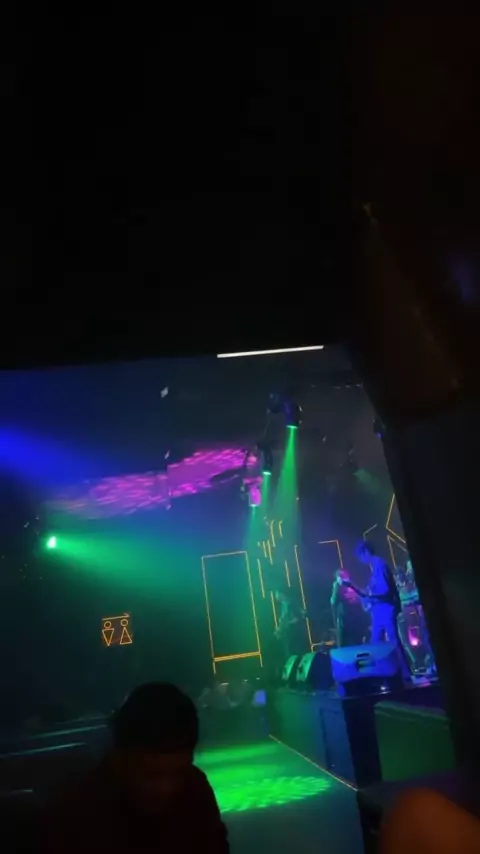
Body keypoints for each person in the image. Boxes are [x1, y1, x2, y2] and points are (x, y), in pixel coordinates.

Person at [42, 682, 229, 853]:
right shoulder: (76, 811)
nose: (165, 788)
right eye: (151, 775)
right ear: (119, 759)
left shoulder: (195, 789)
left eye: (178, 774)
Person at [340, 541, 410, 679]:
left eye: (360, 556)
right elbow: (368, 592)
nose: (361, 560)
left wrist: (369, 595)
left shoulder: (380, 565)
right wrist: (352, 586)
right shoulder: (375, 567)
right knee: (375, 643)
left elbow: (384, 591)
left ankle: (405, 673)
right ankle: (380, 675)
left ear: (366, 552)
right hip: (379, 611)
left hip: (386, 609)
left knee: (393, 642)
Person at [330, 568, 366, 647]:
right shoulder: (338, 587)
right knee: (344, 642)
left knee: (357, 641)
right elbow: (333, 602)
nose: (344, 577)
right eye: (341, 575)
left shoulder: (352, 585)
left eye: (345, 575)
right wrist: (336, 588)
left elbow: (361, 596)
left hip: (356, 618)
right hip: (344, 619)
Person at [273, 584, 307, 659]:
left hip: (295, 634)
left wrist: (288, 624)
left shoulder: (291, 603)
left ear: (281, 593)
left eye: (277, 593)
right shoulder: (283, 605)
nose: (276, 596)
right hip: (288, 634)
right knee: (290, 654)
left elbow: (300, 616)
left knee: (296, 653)